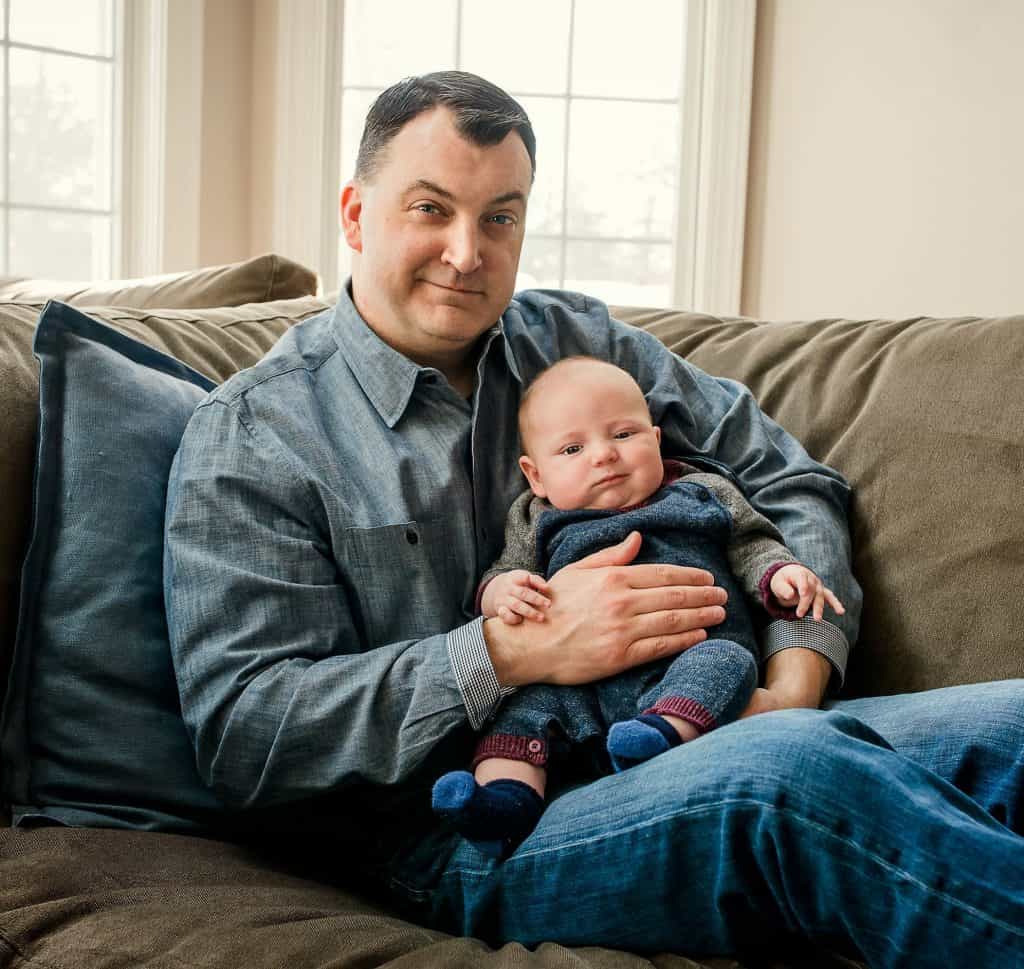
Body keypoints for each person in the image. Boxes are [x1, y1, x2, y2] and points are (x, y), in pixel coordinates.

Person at [163, 70, 1024, 966]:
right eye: (430, 209)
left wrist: (794, 683)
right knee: (795, 779)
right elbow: (246, 730)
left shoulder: (583, 347)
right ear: (355, 214)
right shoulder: (255, 433)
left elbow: (786, 479)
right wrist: (510, 652)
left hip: (704, 719)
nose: (467, 252)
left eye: (500, 217)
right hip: (461, 825)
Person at [432, 356, 845, 856]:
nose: (604, 455)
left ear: (656, 439)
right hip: (576, 688)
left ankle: (661, 735)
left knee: (731, 662)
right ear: (535, 476)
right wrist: (504, 593)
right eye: (573, 448)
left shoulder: (702, 492)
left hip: (687, 661)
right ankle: (504, 801)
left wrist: (781, 575)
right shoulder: (536, 519)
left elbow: (754, 544)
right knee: (521, 709)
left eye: (623, 435)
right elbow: (501, 576)